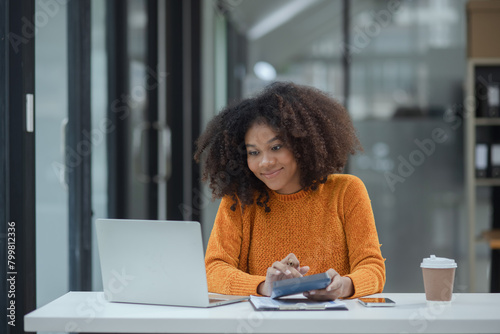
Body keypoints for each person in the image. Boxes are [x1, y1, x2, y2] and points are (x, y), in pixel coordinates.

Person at [194, 82, 385, 300]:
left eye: (276, 147)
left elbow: (372, 268)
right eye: (254, 152)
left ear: (303, 144)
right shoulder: (239, 200)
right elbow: (213, 271)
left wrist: (343, 287)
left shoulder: (346, 191)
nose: (265, 162)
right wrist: (265, 287)